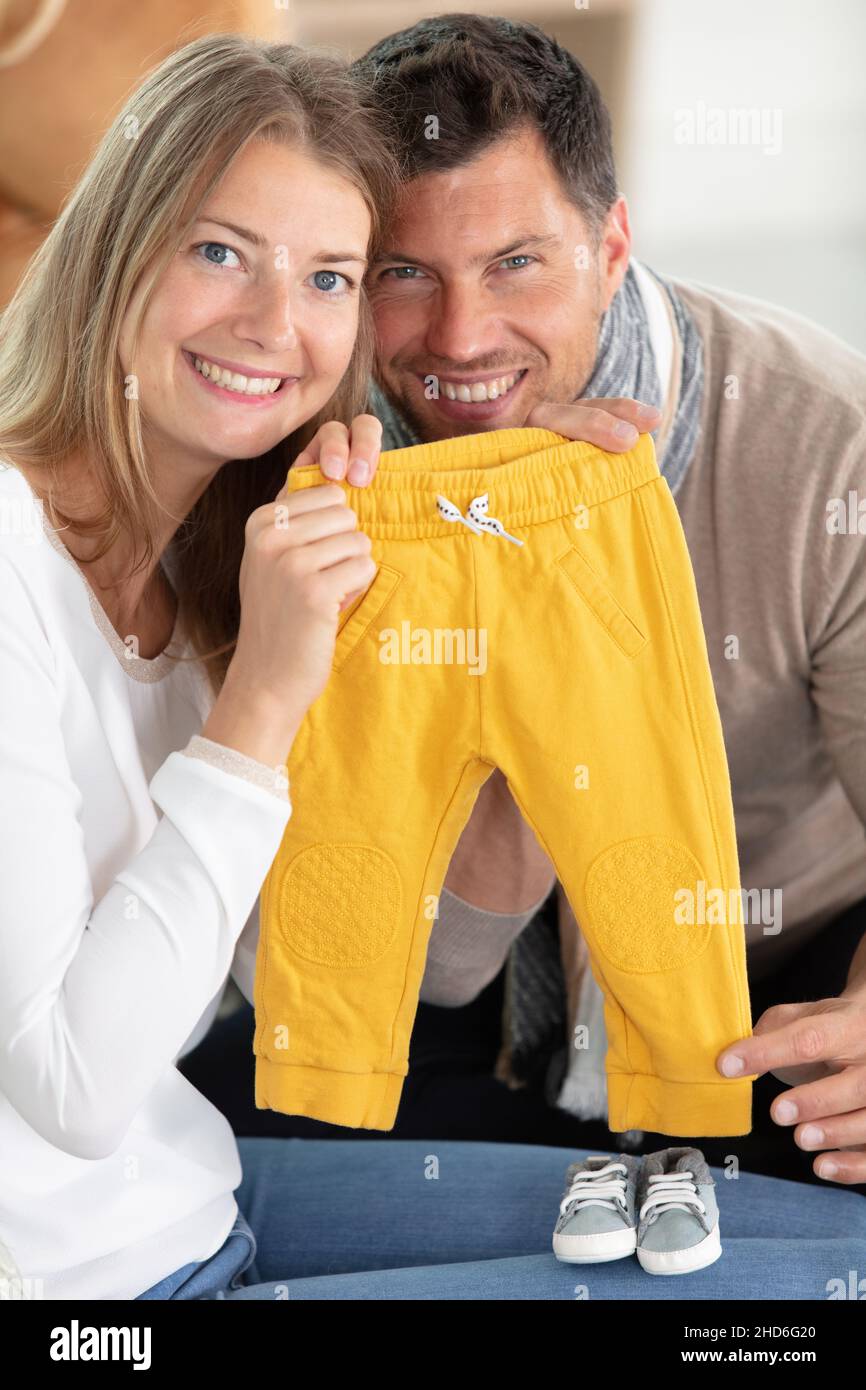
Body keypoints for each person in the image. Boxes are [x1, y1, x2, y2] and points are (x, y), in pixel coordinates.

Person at [182, 14, 866, 1200]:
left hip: (767, 988)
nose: (458, 338)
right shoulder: (287, 481)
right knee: (217, 1145)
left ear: (610, 248)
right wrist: (509, 608)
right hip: (452, 998)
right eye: (403, 273)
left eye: (515, 263)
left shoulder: (820, 445)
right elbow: (407, 959)